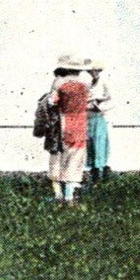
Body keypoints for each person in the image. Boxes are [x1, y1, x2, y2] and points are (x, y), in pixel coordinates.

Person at [44, 55, 90, 204]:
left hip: (64, 121)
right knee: (76, 158)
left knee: (59, 156)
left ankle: (59, 194)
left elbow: (51, 102)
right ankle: (70, 195)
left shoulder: (59, 83)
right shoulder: (85, 83)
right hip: (81, 122)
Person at [85, 59, 112, 184]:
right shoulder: (88, 83)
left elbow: (111, 99)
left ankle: (103, 171)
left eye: (95, 71)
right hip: (88, 117)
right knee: (90, 144)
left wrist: (99, 105)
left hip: (100, 116)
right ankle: (94, 173)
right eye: (91, 71)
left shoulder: (104, 82)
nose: (93, 73)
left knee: (100, 143)